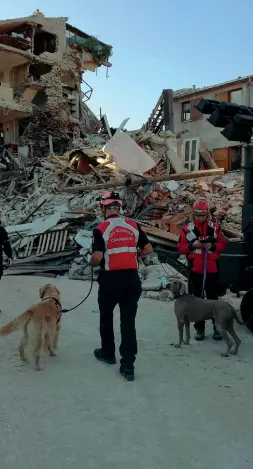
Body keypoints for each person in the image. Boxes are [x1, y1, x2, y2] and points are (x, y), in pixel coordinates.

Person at [91, 191, 153, 381]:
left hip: (110, 280)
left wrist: (93, 260)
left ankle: (108, 353)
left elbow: (98, 258)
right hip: (131, 280)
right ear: (119, 208)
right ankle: (128, 366)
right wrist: (131, 257)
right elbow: (148, 249)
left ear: (104, 208)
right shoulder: (133, 225)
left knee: (106, 317)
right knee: (128, 323)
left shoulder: (100, 229)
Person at [177, 199, 226, 341]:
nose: (200, 218)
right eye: (197, 215)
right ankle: (199, 328)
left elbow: (223, 244)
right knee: (196, 300)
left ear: (207, 214)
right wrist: (193, 246)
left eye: (203, 215)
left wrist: (212, 246)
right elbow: (180, 247)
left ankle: (218, 328)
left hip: (211, 268)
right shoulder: (187, 229)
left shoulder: (216, 228)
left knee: (213, 299)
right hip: (196, 269)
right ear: (193, 214)